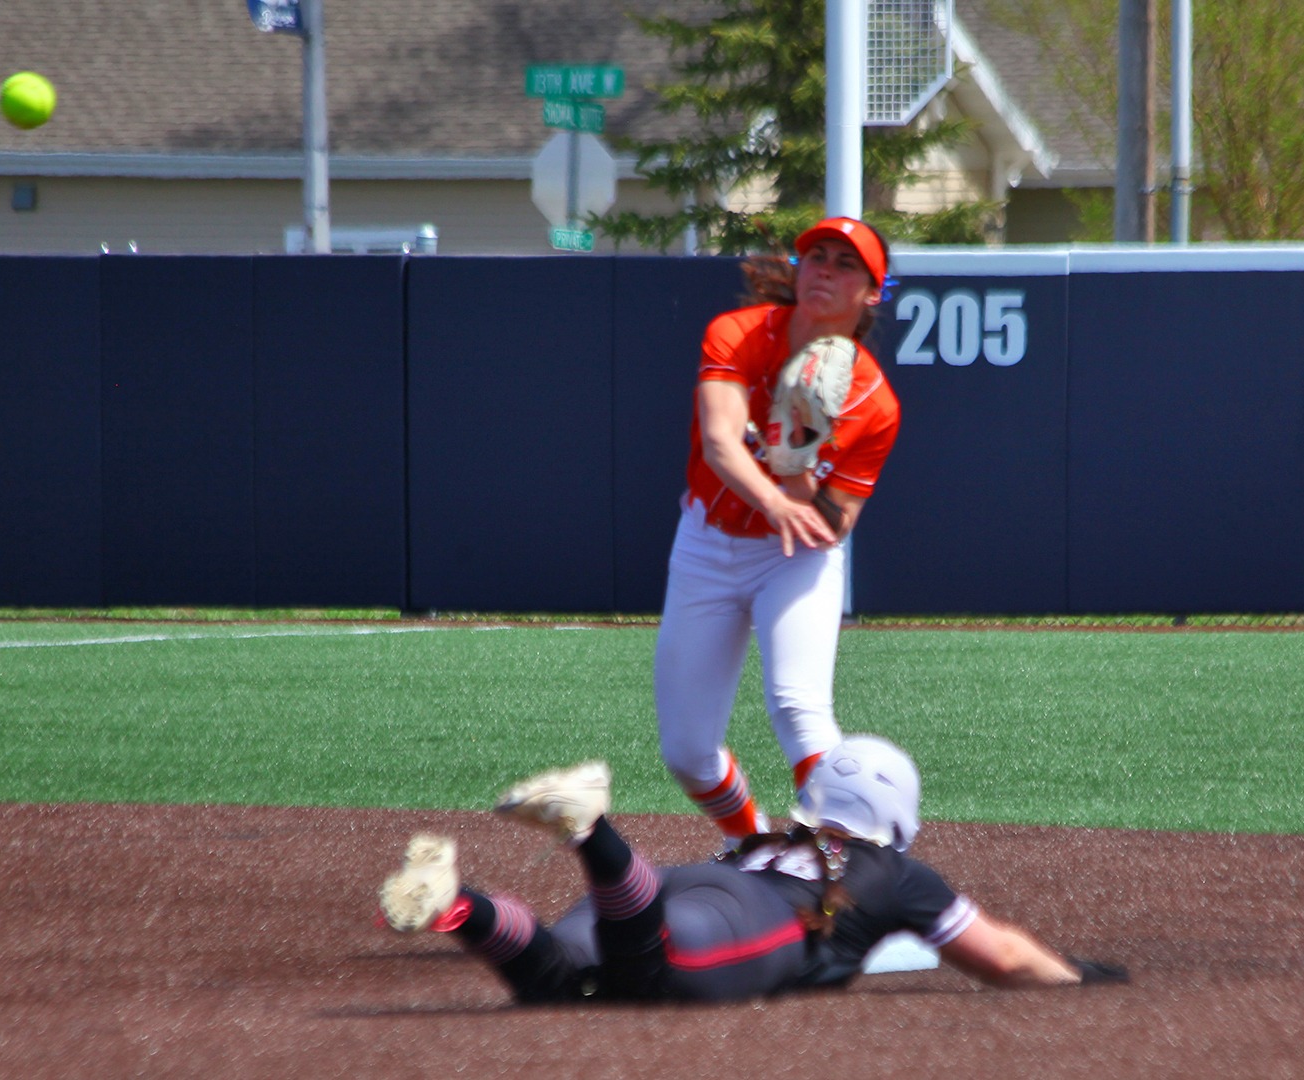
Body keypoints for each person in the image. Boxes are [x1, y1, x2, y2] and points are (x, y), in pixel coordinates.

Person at [375, 735, 1128, 1003]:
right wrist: (1077, 977)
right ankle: (591, 831)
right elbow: (1000, 958)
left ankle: (458, 902)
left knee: (564, 982)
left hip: (676, 884)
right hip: (743, 917)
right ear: (896, 814)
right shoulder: (896, 874)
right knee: (650, 969)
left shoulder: (766, 836)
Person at [654, 217, 902, 842]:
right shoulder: (738, 334)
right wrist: (778, 469)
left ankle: (847, 871)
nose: (825, 269)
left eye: (847, 264)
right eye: (816, 256)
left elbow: (834, 523)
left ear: (873, 292)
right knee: (687, 752)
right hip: (707, 544)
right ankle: (752, 844)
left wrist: (796, 474)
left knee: (798, 706)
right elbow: (718, 442)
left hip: (792, 558)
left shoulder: (874, 403)